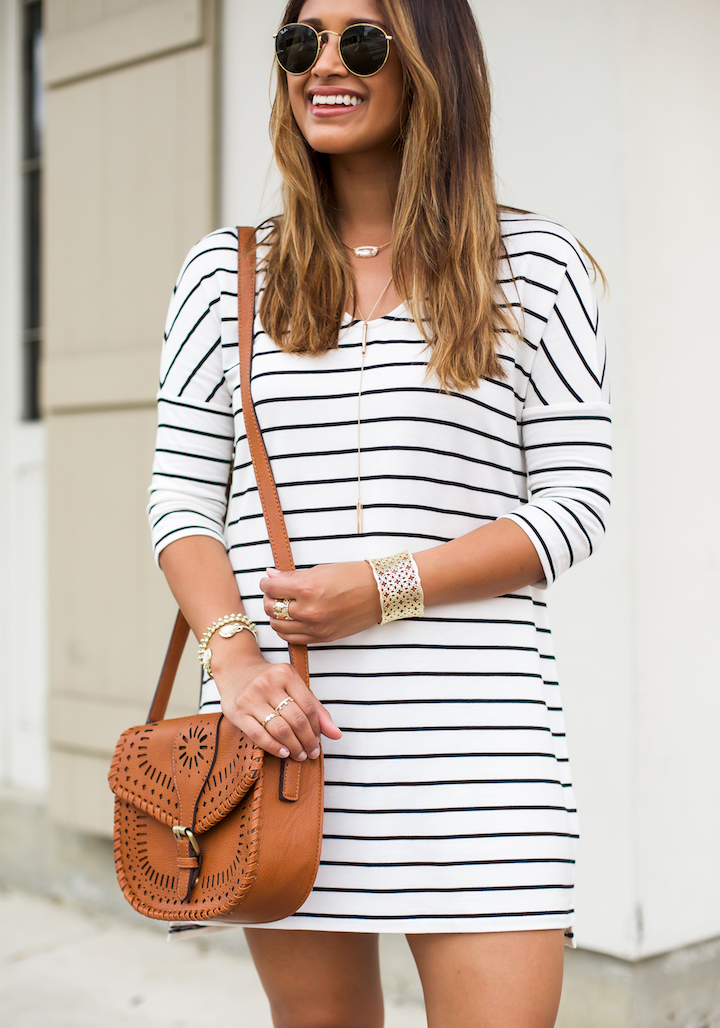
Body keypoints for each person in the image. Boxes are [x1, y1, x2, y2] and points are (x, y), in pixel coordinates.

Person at [148, 0, 611, 1025]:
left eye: (360, 40)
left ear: (431, 66)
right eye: (299, 41)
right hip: (289, 751)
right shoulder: (226, 276)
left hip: (482, 751)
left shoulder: (534, 265)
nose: (324, 63)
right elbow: (182, 498)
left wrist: (383, 587)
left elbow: (577, 502)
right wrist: (231, 657)